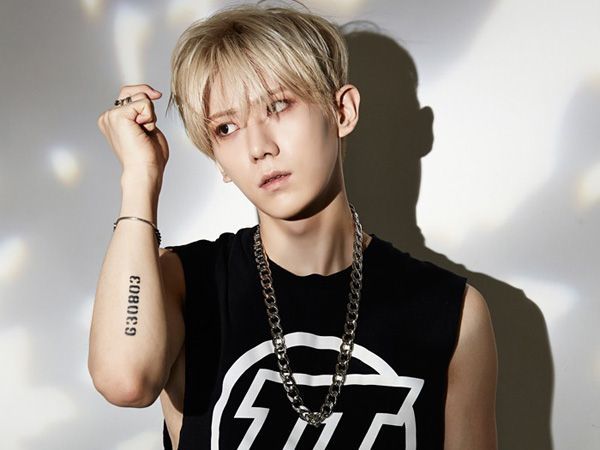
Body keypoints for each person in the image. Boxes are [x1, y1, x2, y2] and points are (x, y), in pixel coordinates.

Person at [89, 2, 498, 449]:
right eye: (226, 128)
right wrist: (140, 176)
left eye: (279, 105)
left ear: (342, 111)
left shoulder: (450, 312)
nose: (258, 147)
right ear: (217, 160)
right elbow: (125, 382)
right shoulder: (186, 282)